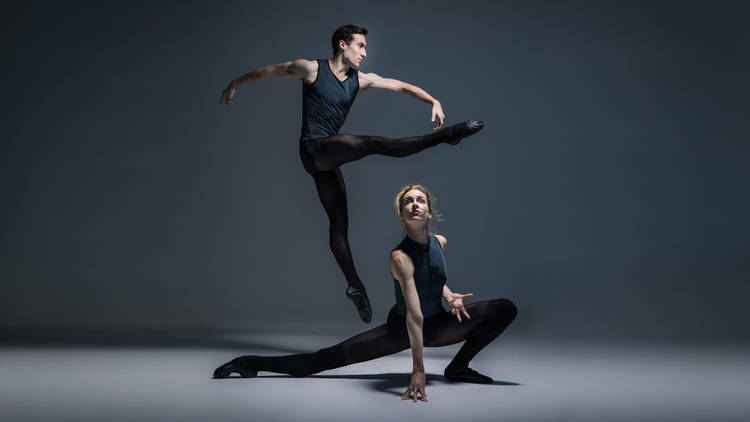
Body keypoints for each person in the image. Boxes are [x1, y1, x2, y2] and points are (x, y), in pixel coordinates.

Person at [219, 24, 484, 323]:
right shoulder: (311, 69)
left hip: (328, 158)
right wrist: (236, 82)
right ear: (343, 45)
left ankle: (355, 286)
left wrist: (432, 100)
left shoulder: (361, 80)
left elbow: (400, 86)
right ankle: (446, 136)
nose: (365, 52)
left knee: (340, 223)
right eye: (360, 46)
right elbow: (271, 70)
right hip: (314, 148)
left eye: (366, 47)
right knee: (374, 143)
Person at [213, 185, 517, 403]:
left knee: (504, 308)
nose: (414, 204)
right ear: (401, 214)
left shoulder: (441, 241)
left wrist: (449, 295)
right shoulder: (399, 257)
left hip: (437, 324)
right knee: (320, 361)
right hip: (403, 329)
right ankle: (249, 362)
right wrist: (419, 371)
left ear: (429, 210)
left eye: (420, 200)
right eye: (408, 201)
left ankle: (458, 367)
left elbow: (434, 276)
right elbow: (413, 315)